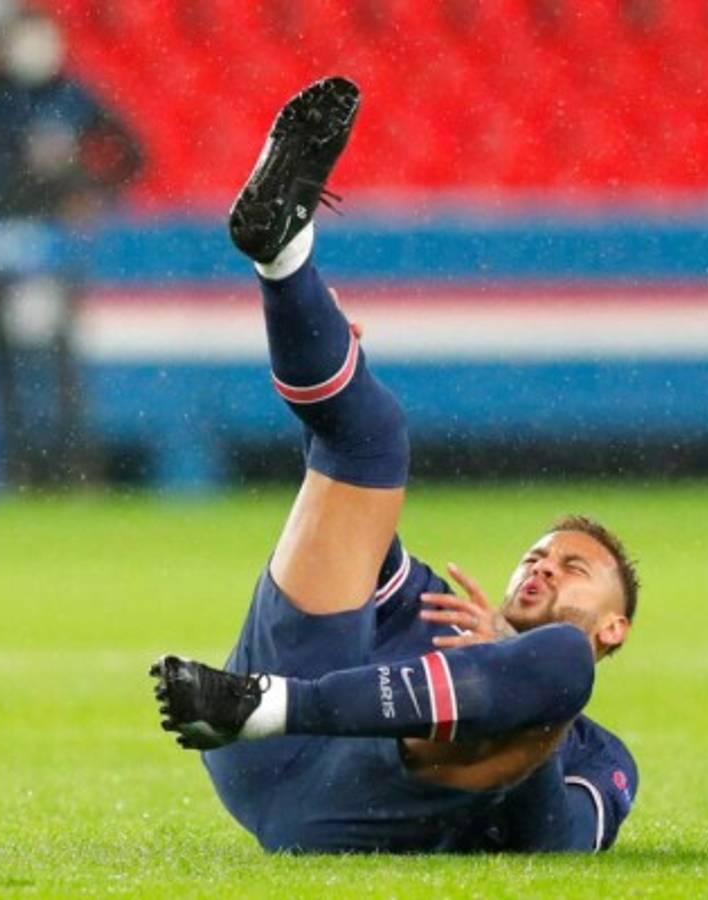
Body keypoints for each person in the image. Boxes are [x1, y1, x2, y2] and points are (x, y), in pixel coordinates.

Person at [150, 77, 640, 853]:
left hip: (344, 802)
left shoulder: (597, 752)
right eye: (537, 556)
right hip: (255, 739)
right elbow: (335, 488)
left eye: (573, 567)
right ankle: (284, 256)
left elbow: (554, 847)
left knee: (559, 666)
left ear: (616, 626)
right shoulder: (423, 601)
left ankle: (267, 703)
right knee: (366, 439)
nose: (543, 566)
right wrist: (337, 365)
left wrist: (516, 696)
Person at [0, 7, 143, 488]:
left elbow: (131, 152)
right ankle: (21, 464)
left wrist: (92, 193)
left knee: (59, 359)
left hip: (50, 250)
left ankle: (73, 465)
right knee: (7, 362)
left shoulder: (72, 96)